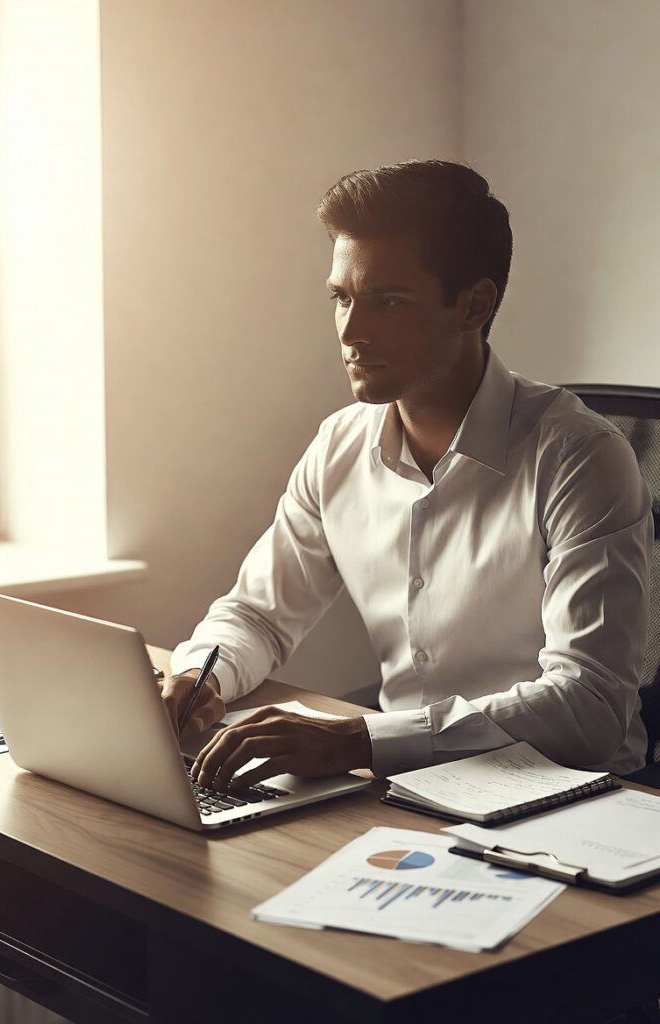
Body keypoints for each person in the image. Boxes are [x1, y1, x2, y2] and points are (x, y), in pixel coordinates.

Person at [161, 159, 653, 793]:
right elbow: (257, 615)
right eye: (341, 297)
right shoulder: (339, 445)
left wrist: (360, 739)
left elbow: (589, 707)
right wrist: (200, 676)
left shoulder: (580, 456)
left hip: (570, 798)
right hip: (403, 786)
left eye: (387, 301)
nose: (350, 331)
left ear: (474, 305)